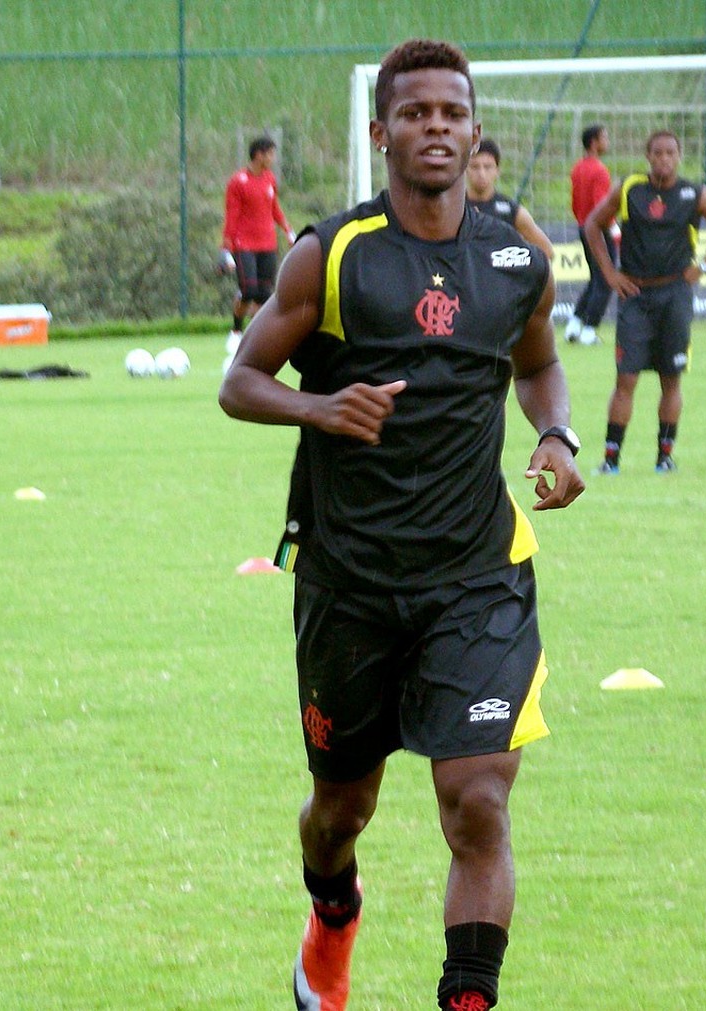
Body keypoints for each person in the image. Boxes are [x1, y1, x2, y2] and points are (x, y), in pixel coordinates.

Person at [219, 38, 584, 1011]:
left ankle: (466, 999)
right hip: (348, 582)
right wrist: (320, 408)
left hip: (477, 577)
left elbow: (538, 360)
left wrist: (554, 434)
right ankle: (332, 915)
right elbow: (240, 382)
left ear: (473, 130)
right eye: (415, 113)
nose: (435, 127)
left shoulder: (514, 255)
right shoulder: (331, 254)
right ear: (382, 133)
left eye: (451, 113)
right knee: (341, 810)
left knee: (477, 801)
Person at [584, 130, 706, 474]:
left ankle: (664, 457)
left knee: (671, 379)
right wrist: (610, 274)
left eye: (670, 152)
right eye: (657, 153)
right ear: (648, 156)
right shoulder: (630, 189)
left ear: (679, 156)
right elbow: (592, 225)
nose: (664, 159)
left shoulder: (694, 194)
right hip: (635, 296)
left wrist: (704, 266)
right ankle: (611, 460)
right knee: (626, 379)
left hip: (674, 295)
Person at [220, 136, 296, 356]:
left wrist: (287, 230)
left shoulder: (269, 179)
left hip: (267, 244)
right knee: (248, 290)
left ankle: (255, 339)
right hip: (244, 244)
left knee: (264, 294)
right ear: (259, 155)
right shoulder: (238, 182)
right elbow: (231, 215)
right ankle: (235, 331)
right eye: (270, 154)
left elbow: (274, 208)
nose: (273, 158)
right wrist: (226, 248)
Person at [565, 124, 615, 345]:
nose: (608, 141)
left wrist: (582, 223)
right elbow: (601, 206)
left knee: (595, 278)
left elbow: (575, 203)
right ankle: (589, 331)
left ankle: (574, 325)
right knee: (606, 278)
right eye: (605, 137)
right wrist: (612, 228)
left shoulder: (577, 168)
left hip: (583, 227)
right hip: (598, 230)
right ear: (594, 142)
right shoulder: (599, 170)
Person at [465, 139, 554, 259]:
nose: (481, 173)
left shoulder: (510, 210)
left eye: (487, 167)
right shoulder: (454, 208)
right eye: (475, 167)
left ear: (497, 171)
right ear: (465, 169)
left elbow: (547, 251)